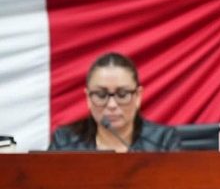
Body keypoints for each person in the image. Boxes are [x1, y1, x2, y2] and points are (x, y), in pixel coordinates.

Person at [48, 52, 181, 152]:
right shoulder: (65, 141)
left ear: (138, 96)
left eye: (122, 95)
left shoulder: (163, 142)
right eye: (101, 95)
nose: (112, 105)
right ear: (88, 98)